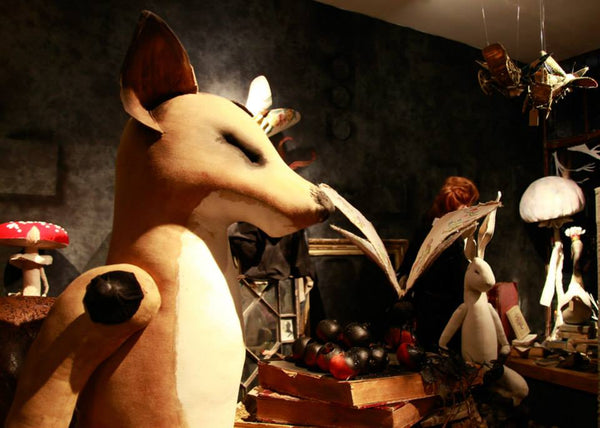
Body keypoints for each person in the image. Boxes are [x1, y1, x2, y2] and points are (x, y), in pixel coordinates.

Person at [398, 176, 480, 352]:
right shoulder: (431, 232)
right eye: (465, 205)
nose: (469, 210)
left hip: (449, 305)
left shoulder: (459, 234)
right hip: (435, 308)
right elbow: (409, 266)